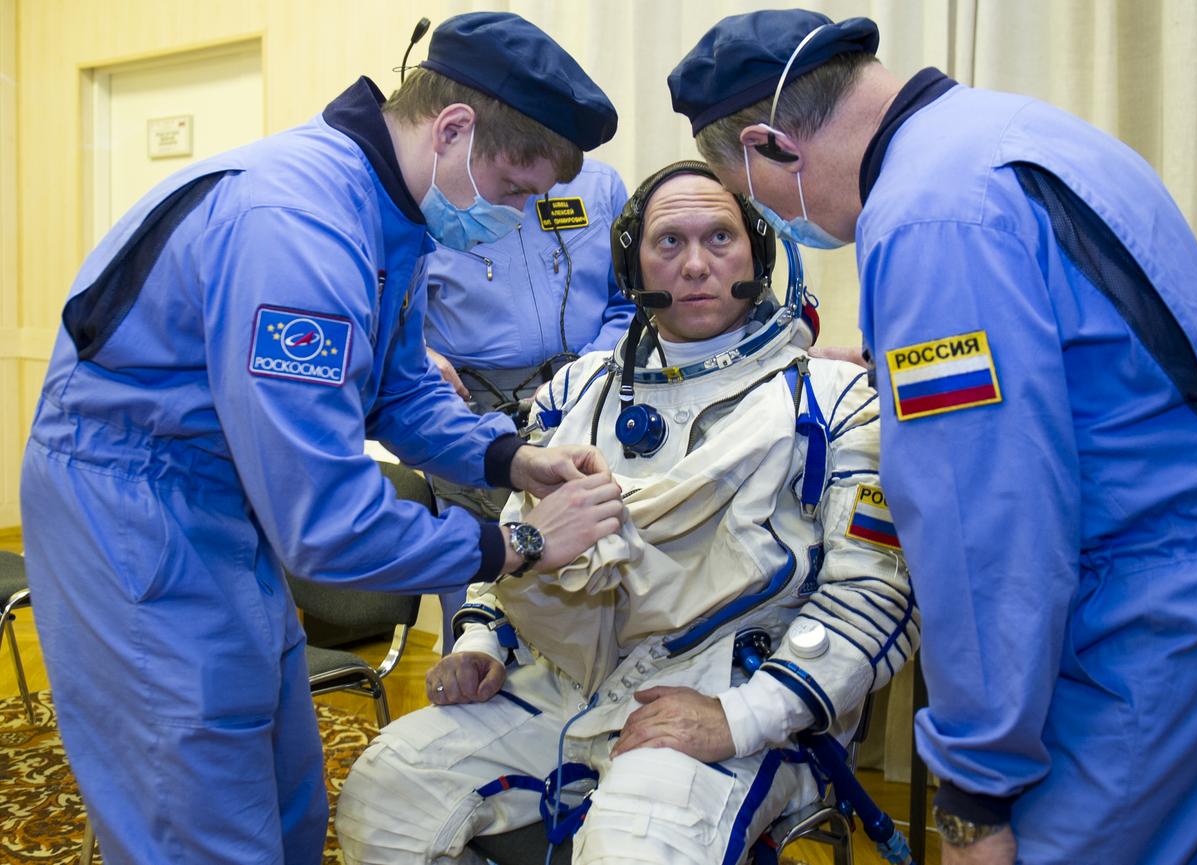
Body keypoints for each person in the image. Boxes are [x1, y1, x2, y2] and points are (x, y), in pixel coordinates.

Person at [667, 9, 1197, 865]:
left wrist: (974, 793)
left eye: (759, 204)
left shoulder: (926, 222)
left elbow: (984, 522)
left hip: (1155, 616)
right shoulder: (1010, 133)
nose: (788, 226)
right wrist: (903, 371)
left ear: (775, 145)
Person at [19, 12, 627, 865]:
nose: (522, 214)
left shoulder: (387, 209)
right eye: (517, 189)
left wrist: (510, 456)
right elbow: (328, 522)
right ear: (453, 129)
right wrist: (519, 541)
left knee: (285, 792)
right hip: (134, 507)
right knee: (194, 806)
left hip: (226, 503)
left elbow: (399, 385)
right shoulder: (299, 229)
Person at [334, 162, 919, 865]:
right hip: (562, 681)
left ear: (758, 255)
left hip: (732, 692)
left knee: (638, 846)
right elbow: (525, 544)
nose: (697, 264)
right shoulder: (579, 394)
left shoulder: (830, 402)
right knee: (387, 790)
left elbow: (872, 596)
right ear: (632, 262)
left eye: (720, 238)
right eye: (669, 242)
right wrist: (481, 643)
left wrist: (742, 717)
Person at [422, 155, 631, 649]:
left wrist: (582, 375)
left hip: (585, 401)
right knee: (479, 585)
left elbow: (631, 301)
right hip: (467, 413)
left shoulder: (599, 186)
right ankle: (477, 673)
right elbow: (382, 312)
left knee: (589, 580)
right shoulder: (434, 191)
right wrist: (418, 353)